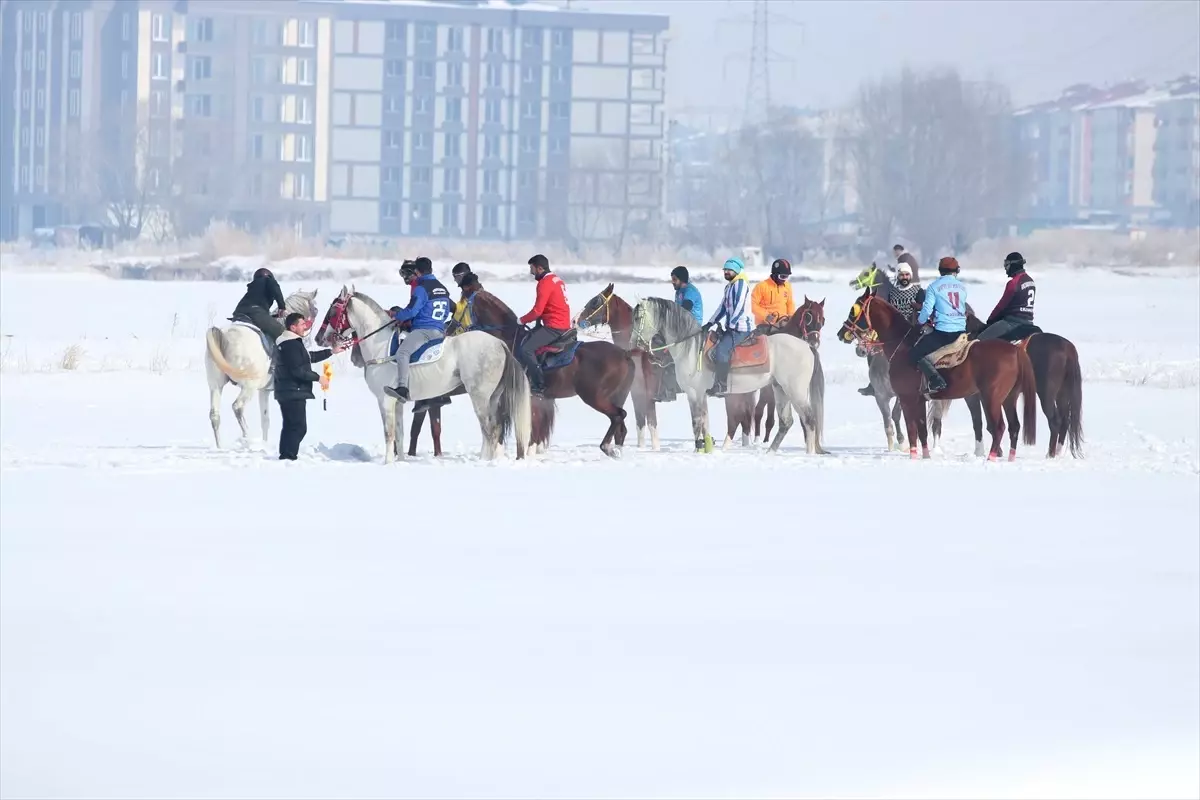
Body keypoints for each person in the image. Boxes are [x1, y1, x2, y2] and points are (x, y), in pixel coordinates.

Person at [274, 312, 345, 460]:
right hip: (293, 390)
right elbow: (297, 370)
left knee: (290, 426)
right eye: (301, 324)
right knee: (299, 427)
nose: (305, 326)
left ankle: (286, 457)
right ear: (293, 327)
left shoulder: (291, 342)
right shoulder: (291, 344)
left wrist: (331, 352)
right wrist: (319, 378)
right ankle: (289, 457)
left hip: (289, 391)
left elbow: (308, 357)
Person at [384, 257, 452, 402]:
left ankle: (402, 388)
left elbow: (411, 312)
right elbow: (446, 312)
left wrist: (395, 314)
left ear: (417, 272)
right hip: (440, 331)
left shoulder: (422, 289)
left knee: (402, 353)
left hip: (424, 331)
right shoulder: (443, 288)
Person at [858, 262, 924, 397]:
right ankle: (874, 383)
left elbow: (923, 311)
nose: (904, 277)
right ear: (897, 276)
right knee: (873, 349)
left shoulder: (918, 291)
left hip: (912, 329)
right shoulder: (892, 292)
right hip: (894, 329)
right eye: (901, 275)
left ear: (910, 276)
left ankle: (921, 380)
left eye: (906, 275)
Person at [910, 256, 968, 396]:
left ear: (940, 271)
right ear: (956, 271)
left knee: (914, 354)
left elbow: (926, 311)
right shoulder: (962, 287)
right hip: (961, 331)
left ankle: (935, 380)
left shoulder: (934, 287)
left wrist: (920, 321)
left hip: (944, 333)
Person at [517, 253, 571, 397]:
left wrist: (521, 320)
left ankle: (539, 385)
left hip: (554, 327)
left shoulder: (544, 283)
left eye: (532, 269)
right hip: (563, 324)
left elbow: (537, 310)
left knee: (526, 349)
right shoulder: (557, 280)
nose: (531, 272)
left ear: (540, 268)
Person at [701, 256, 754, 397]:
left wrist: (731, 324)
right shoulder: (729, 286)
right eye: (725, 270)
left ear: (736, 270)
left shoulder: (741, 284)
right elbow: (723, 308)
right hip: (732, 327)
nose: (726, 272)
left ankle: (721, 386)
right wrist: (710, 323)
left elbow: (739, 307)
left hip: (740, 328)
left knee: (721, 350)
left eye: (729, 270)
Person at [977, 251, 1036, 341]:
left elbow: (1002, 305)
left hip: (1013, 322)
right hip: (1029, 322)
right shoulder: (1030, 280)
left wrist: (991, 319)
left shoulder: (1013, 283)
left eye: (1007, 265)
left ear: (1013, 265)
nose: (1006, 268)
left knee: (980, 340)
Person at [233, 266, 288, 341]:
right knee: (284, 335)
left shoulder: (253, 289)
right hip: (255, 312)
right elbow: (275, 289)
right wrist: (282, 307)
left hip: (238, 313)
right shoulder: (268, 280)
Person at [750, 258, 796, 328]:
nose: (784, 280)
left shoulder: (787, 286)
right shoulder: (761, 286)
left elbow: (790, 303)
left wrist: (791, 316)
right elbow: (753, 305)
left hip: (783, 323)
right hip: (765, 325)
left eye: (786, 277)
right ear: (775, 274)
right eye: (782, 276)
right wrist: (766, 316)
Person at [446, 261, 480, 336]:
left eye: (455, 276)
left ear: (462, 276)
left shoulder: (470, 292)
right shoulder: (476, 287)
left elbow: (458, 316)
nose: (454, 280)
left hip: (466, 333)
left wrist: (447, 333)